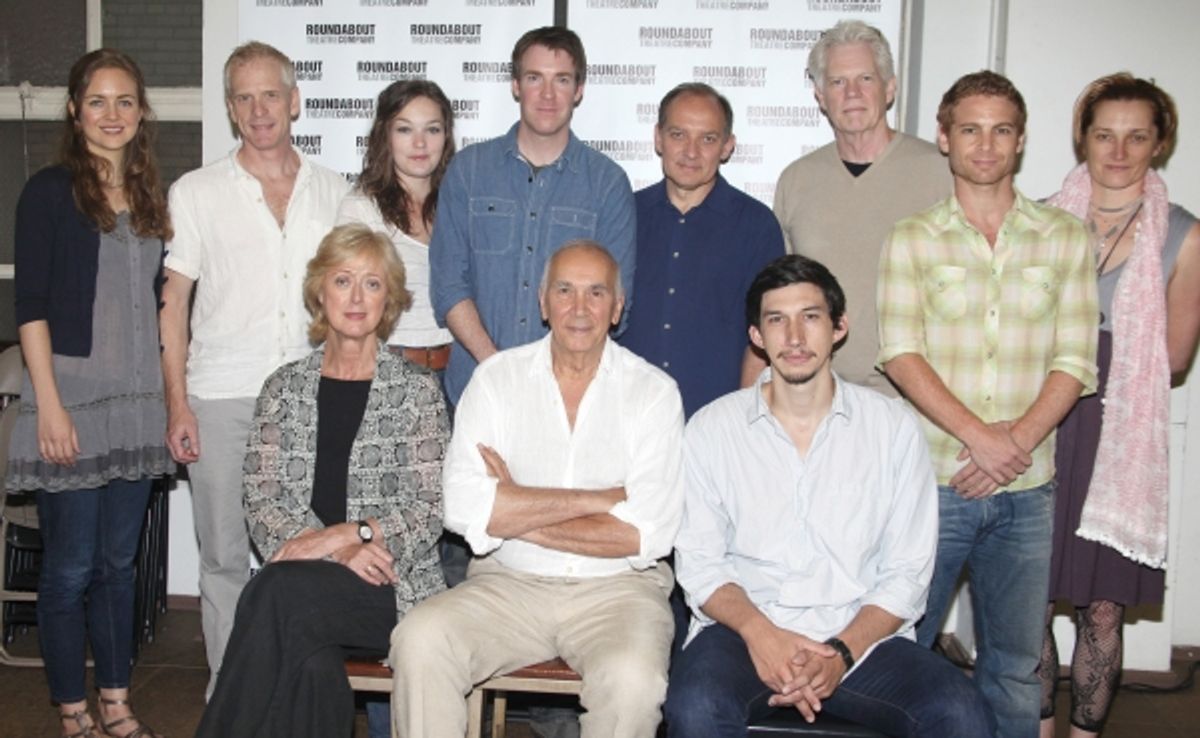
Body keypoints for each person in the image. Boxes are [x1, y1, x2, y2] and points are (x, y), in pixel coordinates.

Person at [666, 255, 994, 737]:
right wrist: (764, 636)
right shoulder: (713, 429)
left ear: (839, 327)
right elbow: (699, 564)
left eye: (811, 317)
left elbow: (907, 572)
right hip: (743, 634)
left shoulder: (891, 428)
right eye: (777, 320)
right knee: (695, 707)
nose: (795, 338)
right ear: (757, 336)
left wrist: (841, 652)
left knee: (961, 714)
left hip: (861, 643)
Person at [877, 71, 1099, 738]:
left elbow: (1076, 360)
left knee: (1014, 666)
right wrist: (983, 438)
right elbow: (900, 354)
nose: (985, 144)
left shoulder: (1065, 236)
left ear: (1021, 141)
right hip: (932, 487)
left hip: (1027, 490)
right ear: (944, 138)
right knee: (902, 657)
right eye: (969, 129)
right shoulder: (912, 238)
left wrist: (1013, 447)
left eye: (1001, 129)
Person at [390, 241, 684, 738]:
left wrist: (515, 503)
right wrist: (598, 500)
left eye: (596, 293)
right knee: (421, 639)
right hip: (507, 584)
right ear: (543, 302)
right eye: (564, 290)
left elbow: (644, 536)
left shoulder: (653, 393)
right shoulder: (496, 380)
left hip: (619, 591)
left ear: (617, 307)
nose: (579, 307)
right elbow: (462, 508)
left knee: (634, 681)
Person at [194, 224, 450, 738]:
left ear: (390, 300)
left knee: (271, 594)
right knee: (309, 660)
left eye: (373, 284)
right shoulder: (283, 389)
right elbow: (263, 504)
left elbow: (431, 508)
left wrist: (350, 535)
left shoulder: (417, 391)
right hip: (305, 584)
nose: (357, 298)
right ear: (319, 293)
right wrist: (336, 552)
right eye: (342, 281)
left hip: (391, 587)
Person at [159, 41, 349, 695]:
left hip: (312, 401)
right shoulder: (196, 193)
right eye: (244, 97)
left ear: (294, 101)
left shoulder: (336, 192)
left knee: (307, 557)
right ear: (231, 108)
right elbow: (173, 303)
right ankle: (229, 694)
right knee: (221, 558)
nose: (258, 109)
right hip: (219, 395)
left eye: (270, 94)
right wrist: (177, 403)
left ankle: (299, 689)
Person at [5, 49, 172, 738]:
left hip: (137, 410)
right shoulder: (48, 191)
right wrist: (48, 405)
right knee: (69, 568)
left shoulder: (157, 198)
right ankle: (72, 710)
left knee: (116, 566)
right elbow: (32, 306)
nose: (112, 114)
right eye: (97, 101)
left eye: (124, 100)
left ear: (141, 112)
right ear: (75, 110)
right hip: (69, 404)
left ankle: (115, 699)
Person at [1038, 74, 1200, 738]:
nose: (1119, 150)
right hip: (1041, 417)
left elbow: (1177, 358)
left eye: (1137, 136)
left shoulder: (1185, 236)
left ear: (1159, 143)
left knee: (1101, 608)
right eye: (1105, 134)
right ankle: (1040, 728)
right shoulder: (1042, 217)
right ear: (1084, 137)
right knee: (1029, 601)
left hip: (1117, 430)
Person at [429, 26, 636, 409]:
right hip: (475, 394)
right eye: (534, 78)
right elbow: (447, 286)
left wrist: (548, 380)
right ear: (515, 85)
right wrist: (497, 368)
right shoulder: (469, 171)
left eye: (561, 80)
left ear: (579, 90)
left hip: (568, 402)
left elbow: (614, 303)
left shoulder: (608, 184)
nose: (546, 94)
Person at [773, 19, 949, 395]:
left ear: (890, 88)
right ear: (820, 96)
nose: (852, 92)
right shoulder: (796, 181)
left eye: (865, 79)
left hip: (921, 403)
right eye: (837, 82)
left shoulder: (941, 173)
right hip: (820, 399)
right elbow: (783, 297)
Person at [620, 82, 785, 418]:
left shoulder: (756, 225)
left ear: (727, 146)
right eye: (678, 134)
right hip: (627, 420)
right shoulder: (624, 214)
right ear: (658, 138)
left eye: (707, 138)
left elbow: (767, 329)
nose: (691, 151)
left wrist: (742, 421)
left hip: (716, 423)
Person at [336, 79, 455, 373]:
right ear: (385, 136)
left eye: (432, 129)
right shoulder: (362, 210)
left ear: (446, 137)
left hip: (457, 375)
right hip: (385, 372)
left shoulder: (461, 206)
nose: (420, 143)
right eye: (405, 129)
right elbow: (345, 304)